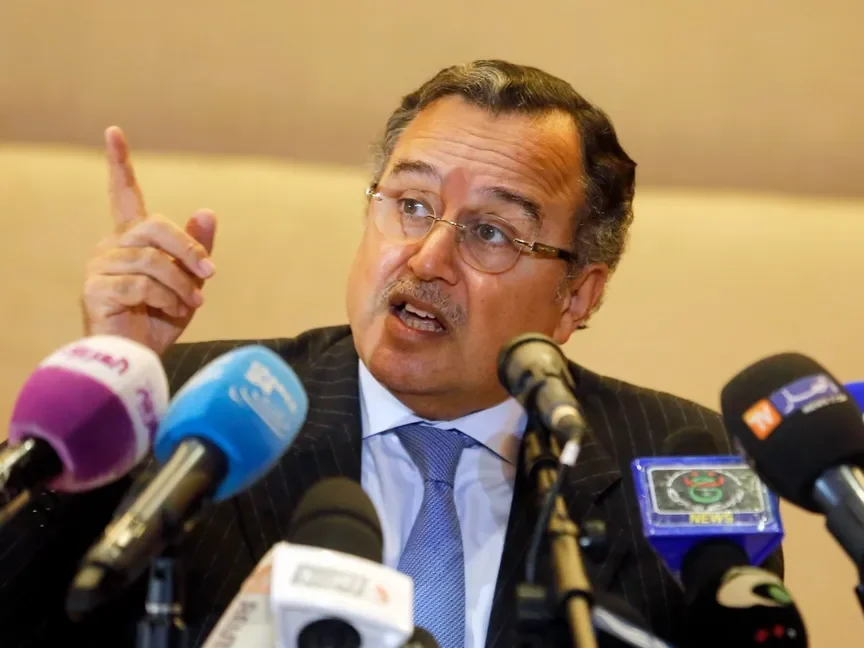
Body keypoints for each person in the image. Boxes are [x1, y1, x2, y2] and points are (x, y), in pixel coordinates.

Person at [0, 60, 780, 648]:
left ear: (578, 295)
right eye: (410, 204)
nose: (428, 258)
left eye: (491, 232)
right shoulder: (195, 408)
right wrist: (107, 394)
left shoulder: (679, 466)